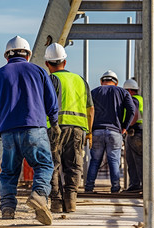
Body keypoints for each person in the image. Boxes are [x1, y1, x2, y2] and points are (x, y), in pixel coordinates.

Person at [0, 36, 60, 225]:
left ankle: (8, 209)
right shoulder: (38, 71)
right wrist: (55, 122)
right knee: (44, 165)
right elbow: (51, 100)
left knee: (9, 172)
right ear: (28, 54)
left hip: (8, 132)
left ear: (7, 55)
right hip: (34, 128)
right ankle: (40, 196)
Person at [44, 43, 94, 213]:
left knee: (53, 165)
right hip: (79, 128)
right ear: (65, 62)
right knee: (74, 165)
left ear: (47, 64)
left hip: (55, 128)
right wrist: (89, 132)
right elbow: (90, 109)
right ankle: (71, 201)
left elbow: (44, 105)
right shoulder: (81, 80)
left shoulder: (51, 79)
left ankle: (56, 202)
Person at [84, 71, 135, 193]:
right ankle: (115, 188)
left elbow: (87, 110)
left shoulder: (94, 92)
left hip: (96, 131)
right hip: (115, 132)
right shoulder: (122, 92)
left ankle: (89, 187)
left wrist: (89, 130)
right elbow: (131, 109)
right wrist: (124, 127)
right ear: (116, 82)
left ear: (102, 81)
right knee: (114, 160)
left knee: (95, 160)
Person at [123, 78, 143, 191]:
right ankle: (135, 185)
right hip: (140, 132)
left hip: (134, 132)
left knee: (136, 160)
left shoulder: (133, 100)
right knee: (132, 159)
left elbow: (133, 114)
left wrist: (126, 126)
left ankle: (140, 185)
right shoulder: (141, 99)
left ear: (129, 91)